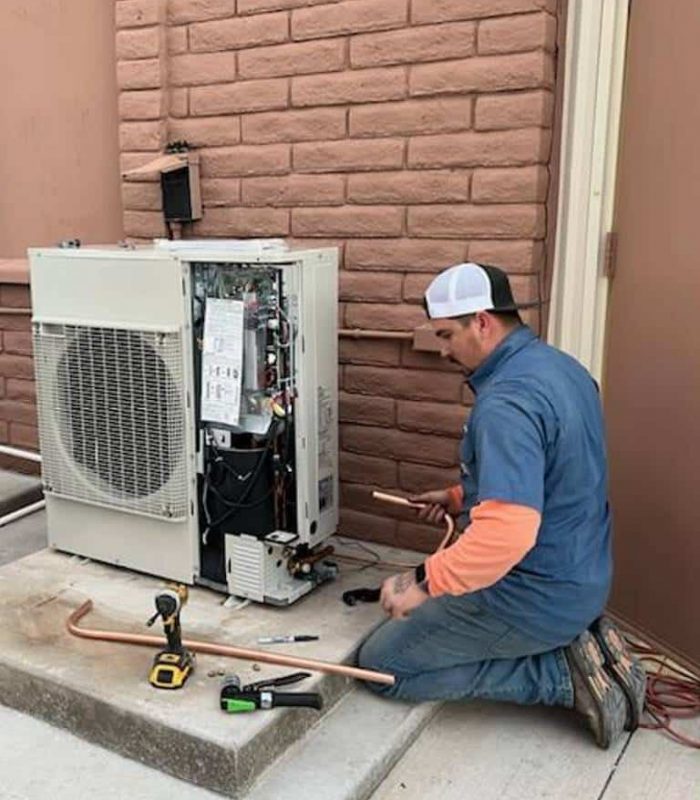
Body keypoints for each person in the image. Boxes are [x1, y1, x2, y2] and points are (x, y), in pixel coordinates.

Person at [357, 262, 646, 749]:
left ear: (483, 322)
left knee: (384, 666)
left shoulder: (507, 402)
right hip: (582, 576)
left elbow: (505, 537)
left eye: (448, 335)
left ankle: (560, 675)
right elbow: (557, 475)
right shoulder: (563, 368)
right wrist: (456, 497)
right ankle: (578, 640)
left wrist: (424, 581)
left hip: (534, 593)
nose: (443, 349)